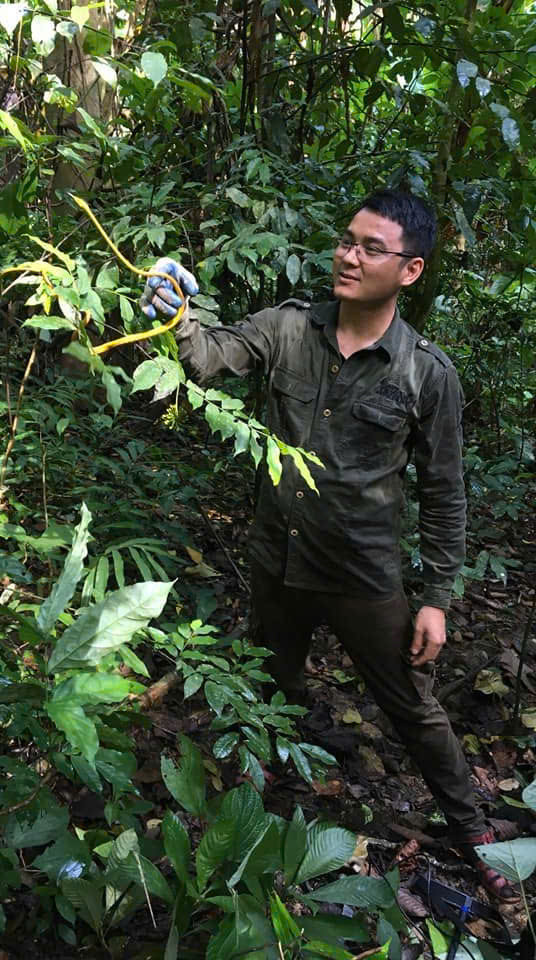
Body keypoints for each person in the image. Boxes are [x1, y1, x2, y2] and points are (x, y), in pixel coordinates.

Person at [140, 189, 517, 901]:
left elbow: (445, 491)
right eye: (347, 241)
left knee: (413, 707)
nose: (349, 256)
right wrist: (177, 311)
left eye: (371, 248)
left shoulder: (426, 374)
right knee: (270, 681)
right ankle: (259, 803)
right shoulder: (288, 328)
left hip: (361, 574)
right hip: (276, 559)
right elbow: (209, 358)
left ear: (410, 270)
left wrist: (435, 599)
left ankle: (478, 839)